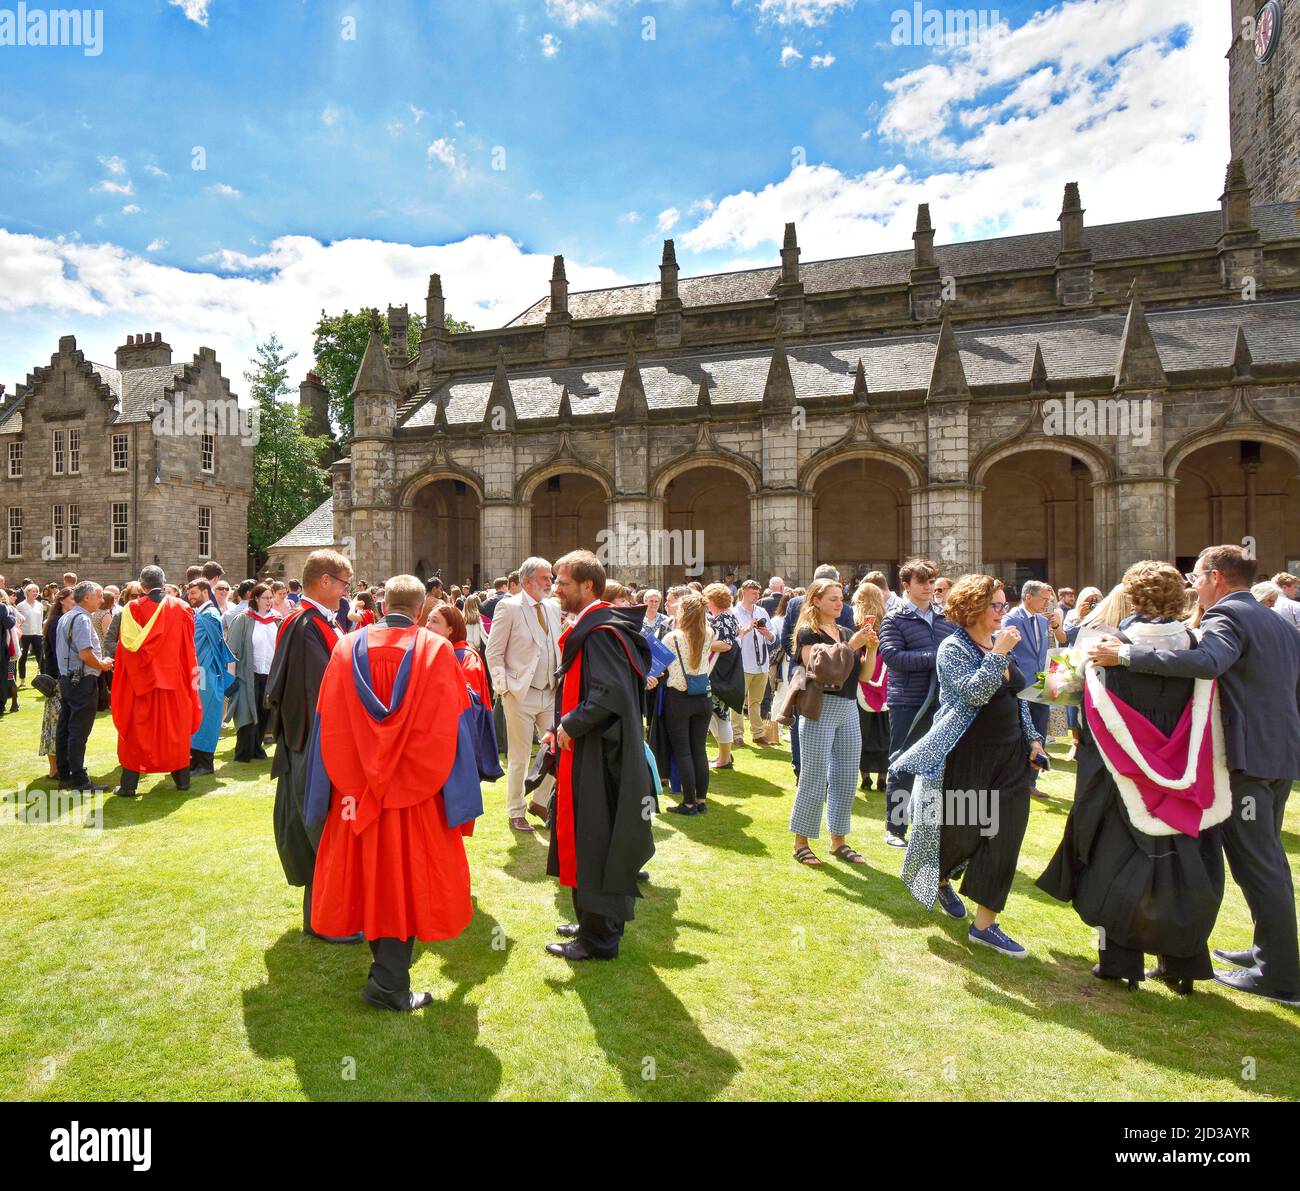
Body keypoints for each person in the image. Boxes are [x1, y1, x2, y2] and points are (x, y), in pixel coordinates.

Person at [1090, 544, 1300, 1005]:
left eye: (1198, 576)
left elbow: (1208, 662)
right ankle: (1270, 951)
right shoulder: (1278, 619)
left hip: (1247, 760)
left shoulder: (1228, 617)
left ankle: (1281, 976)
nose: (1193, 585)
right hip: (1280, 755)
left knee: (1257, 865)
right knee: (1269, 862)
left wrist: (1126, 656)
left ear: (1217, 577)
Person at [1040, 562, 1229, 992]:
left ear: (1132, 597)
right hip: (1182, 778)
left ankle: (1120, 962)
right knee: (1183, 866)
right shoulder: (1196, 646)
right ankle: (1183, 964)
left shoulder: (1106, 646)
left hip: (1121, 776)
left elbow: (1054, 691)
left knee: (1118, 862)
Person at [308, 574, 482, 1010]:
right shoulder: (437, 650)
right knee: (404, 884)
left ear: (382, 603)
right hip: (415, 795)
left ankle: (385, 978)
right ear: (422, 610)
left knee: (368, 879)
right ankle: (387, 985)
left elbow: (326, 721)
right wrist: (460, 799)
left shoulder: (345, 647)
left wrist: (323, 791)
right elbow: (454, 728)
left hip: (356, 794)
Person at [896, 575, 1047, 957]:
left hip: (1011, 757)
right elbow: (974, 694)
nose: (1002, 612)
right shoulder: (953, 647)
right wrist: (997, 654)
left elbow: (1018, 697)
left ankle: (985, 925)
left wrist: (1032, 739)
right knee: (963, 835)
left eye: (1003, 605)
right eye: (995, 606)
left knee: (1005, 837)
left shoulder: (1001, 642)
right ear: (974, 609)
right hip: (968, 756)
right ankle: (941, 878)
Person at [542, 550, 655, 961]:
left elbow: (608, 695)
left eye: (563, 582)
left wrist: (568, 725)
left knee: (596, 838)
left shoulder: (603, 632)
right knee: (589, 836)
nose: (556, 589)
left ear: (588, 586)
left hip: (598, 752)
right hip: (592, 747)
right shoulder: (600, 627)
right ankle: (592, 921)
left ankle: (599, 939)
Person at [265, 549, 362, 945]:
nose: (346, 591)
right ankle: (327, 920)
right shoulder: (306, 626)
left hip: (314, 742)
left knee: (324, 829)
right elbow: (318, 693)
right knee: (320, 828)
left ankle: (323, 915)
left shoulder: (316, 623)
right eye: (343, 583)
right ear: (325, 581)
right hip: (314, 743)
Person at [789, 579, 876, 867]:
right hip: (819, 708)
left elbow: (863, 676)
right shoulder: (807, 633)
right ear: (815, 601)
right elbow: (822, 668)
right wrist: (853, 644)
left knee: (847, 776)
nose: (840, 603)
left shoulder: (847, 631)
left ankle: (838, 841)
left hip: (849, 706)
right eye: (832, 599)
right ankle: (801, 842)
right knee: (813, 776)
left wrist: (872, 649)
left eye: (841, 598)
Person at [878, 558, 956, 847]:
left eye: (931, 580)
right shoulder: (894, 618)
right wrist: (935, 656)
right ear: (906, 586)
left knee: (937, 765)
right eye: (921, 581)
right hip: (908, 702)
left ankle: (928, 828)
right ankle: (895, 829)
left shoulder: (946, 618)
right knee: (902, 762)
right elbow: (892, 657)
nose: (928, 586)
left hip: (943, 702)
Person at [484, 556, 562, 831]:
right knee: (519, 757)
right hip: (520, 693)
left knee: (559, 748)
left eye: (551, 577)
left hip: (551, 692)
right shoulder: (509, 607)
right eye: (545, 578)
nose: (550, 582)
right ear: (527, 580)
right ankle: (516, 811)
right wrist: (503, 686)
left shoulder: (553, 607)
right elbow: (493, 653)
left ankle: (540, 802)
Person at [111, 567, 203, 798]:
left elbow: (125, 650)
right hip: (174, 681)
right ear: (164, 583)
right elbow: (188, 649)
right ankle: (182, 781)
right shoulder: (182, 608)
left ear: (141, 585)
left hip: (139, 684)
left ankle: (129, 785)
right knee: (175, 732)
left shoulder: (131, 610)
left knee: (136, 732)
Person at [648, 591, 716, 815]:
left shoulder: (672, 637)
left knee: (683, 751)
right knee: (699, 750)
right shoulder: (709, 633)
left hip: (679, 697)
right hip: (703, 697)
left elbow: (661, 666)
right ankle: (701, 800)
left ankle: (688, 803)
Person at [1003, 579, 1065, 797]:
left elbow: (1058, 643)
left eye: (1049, 600)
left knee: (1038, 731)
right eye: (1044, 599)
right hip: (1021, 684)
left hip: (1042, 683)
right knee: (1021, 733)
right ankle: (1016, 779)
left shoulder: (1042, 620)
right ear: (1028, 597)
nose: (1047, 604)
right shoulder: (1011, 618)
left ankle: (1031, 781)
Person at [54, 581, 114, 792]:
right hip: (81, 681)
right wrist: (103, 665)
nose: (101, 599)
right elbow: (86, 654)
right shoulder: (81, 619)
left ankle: (65, 775)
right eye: (98, 595)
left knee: (66, 729)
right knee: (78, 732)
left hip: (68, 679)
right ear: (86, 597)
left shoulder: (67, 616)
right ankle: (79, 779)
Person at [186, 579, 235, 778]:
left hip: (206, 674)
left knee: (207, 717)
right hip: (198, 673)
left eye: (194, 593)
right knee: (197, 716)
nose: (190, 597)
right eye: (189, 593)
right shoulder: (202, 613)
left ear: (206, 591)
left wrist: (220, 676)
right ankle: (195, 761)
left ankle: (205, 764)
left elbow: (218, 647)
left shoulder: (210, 614)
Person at [227, 582, 279, 762]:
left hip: (269, 674)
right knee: (247, 711)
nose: (269, 601)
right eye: (265, 598)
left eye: (271, 597)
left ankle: (257, 748)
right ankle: (244, 751)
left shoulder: (276, 620)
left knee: (264, 711)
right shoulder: (244, 619)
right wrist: (231, 677)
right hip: (247, 674)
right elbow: (232, 650)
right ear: (255, 599)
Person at [852, 579, 890, 793]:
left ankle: (865, 775)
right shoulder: (887, 620)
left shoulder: (855, 621)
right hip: (885, 676)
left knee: (862, 729)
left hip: (863, 676)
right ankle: (883, 776)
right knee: (885, 729)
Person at [733, 579, 776, 746]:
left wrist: (767, 633)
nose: (756, 596)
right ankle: (737, 735)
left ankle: (758, 733)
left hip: (761, 663)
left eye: (758, 593)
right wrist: (747, 629)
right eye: (753, 593)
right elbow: (733, 639)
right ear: (744, 592)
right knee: (737, 701)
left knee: (756, 701)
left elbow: (773, 636)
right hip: (743, 662)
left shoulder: (762, 611)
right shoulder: (734, 612)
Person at [38, 589, 75, 778]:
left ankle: (60, 766)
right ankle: (54, 768)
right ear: (62, 600)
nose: (75, 601)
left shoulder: (63, 619)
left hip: (60, 678)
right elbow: (60, 652)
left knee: (60, 723)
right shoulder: (55, 622)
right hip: (57, 679)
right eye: (72, 598)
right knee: (55, 724)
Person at [704, 583, 740, 770]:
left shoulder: (724, 617)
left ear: (713, 600)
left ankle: (724, 759)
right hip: (722, 672)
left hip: (719, 673)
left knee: (720, 715)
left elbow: (726, 644)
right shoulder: (727, 616)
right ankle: (723, 755)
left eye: (707, 600)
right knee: (715, 715)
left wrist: (701, 644)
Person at [15, 582, 45, 688]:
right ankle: (22, 680)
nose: (36, 593)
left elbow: (41, 619)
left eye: (37, 591)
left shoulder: (40, 605)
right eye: (33, 591)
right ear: (27, 592)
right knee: (23, 657)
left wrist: (41, 631)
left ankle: (43, 680)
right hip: (24, 633)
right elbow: (17, 621)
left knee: (40, 657)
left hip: (37, 633)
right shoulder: (20, 605)